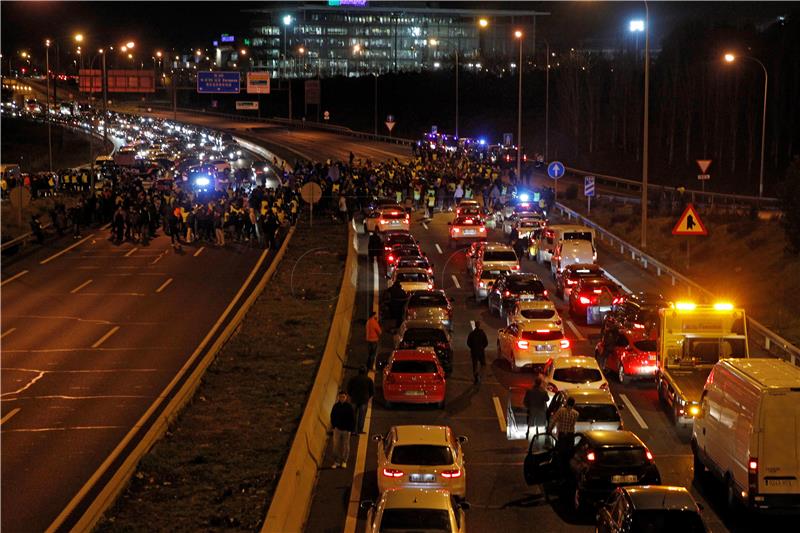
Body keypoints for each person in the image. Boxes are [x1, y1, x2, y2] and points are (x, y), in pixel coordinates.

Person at [547, 396, 580, 474]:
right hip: (571, 436)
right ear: (573, 404)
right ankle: (568, 470)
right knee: (569, 454)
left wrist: (549, 430)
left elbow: (554, 421)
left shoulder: (561, 411)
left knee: (561, 453)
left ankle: (561, 470)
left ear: (566, 402)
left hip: (562, 435)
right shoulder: (576, 413)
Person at [330, 391, 355, 468]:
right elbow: (332, 416)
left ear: (346, 397)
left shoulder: (349, 407)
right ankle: (336, 461)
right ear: (338, 397)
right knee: (335, 446)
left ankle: (344, 461)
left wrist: (350, 429)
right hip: (337, 429)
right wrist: (334, 426)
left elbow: (352, 418)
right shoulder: (336, 406)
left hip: (346, 430)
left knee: (345, 446)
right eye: (340, 397)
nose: (342, 398)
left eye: (343, 397)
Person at [347, 366, 374, 435]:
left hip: (354, 399)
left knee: (353, 415)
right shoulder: (369, 380)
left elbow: (349, 388)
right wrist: (368, 397)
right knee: (362, 416)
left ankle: (352, 430)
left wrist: (351, 395)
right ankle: (360, 430)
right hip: (364, 400)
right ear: (365, 372)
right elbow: (372, 391)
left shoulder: (353, 379)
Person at [524, 376, 550, 440]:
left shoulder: (529, 391)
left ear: (534, 383)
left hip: (532, 408)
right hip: (540, 409)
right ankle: (537, 432)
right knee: (538, 421)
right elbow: (547, 399)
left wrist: (528, 406)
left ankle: (528, 432)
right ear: (540, 383)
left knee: (530, 420)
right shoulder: (543, 391)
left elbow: (525, 401)